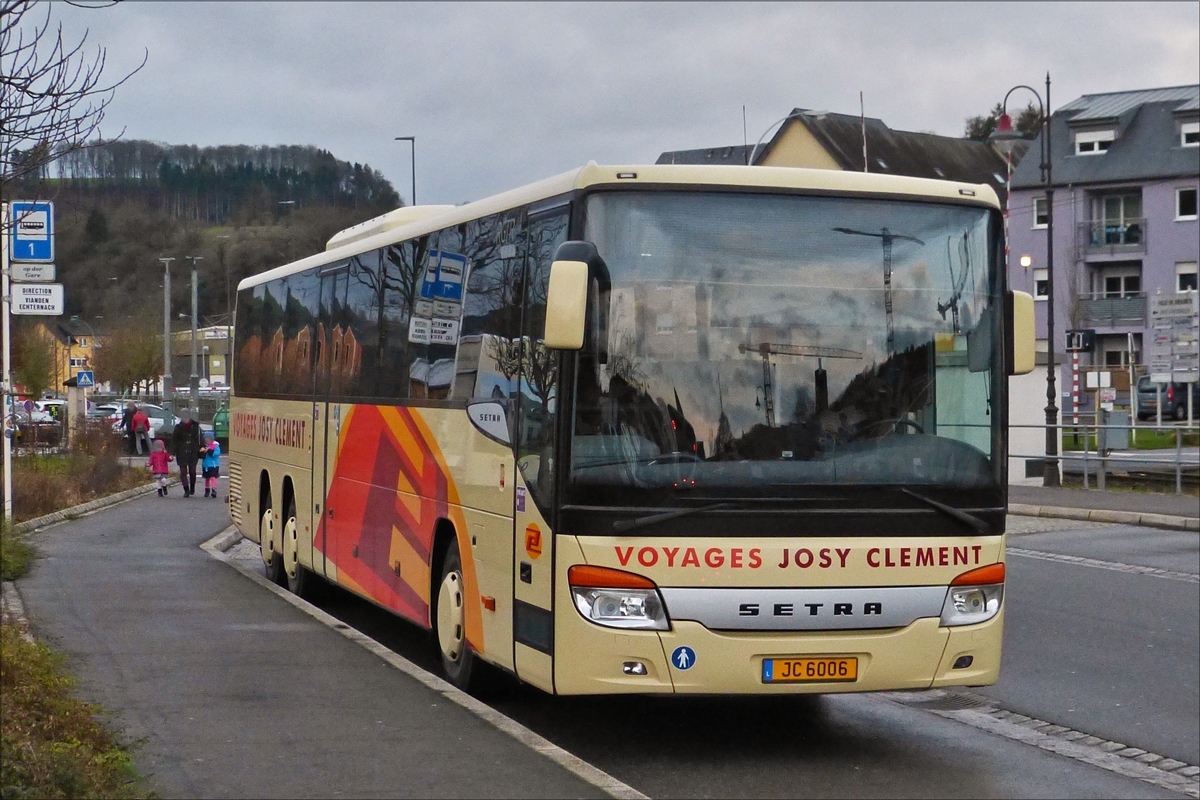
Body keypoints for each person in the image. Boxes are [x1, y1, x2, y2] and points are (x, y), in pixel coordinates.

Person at [171, 408, 203, 497]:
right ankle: (186, 490)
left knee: (192, 471)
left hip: (193, 451)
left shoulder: (195, 426)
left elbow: (200, 438)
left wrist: (202, 446)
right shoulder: (178, 427)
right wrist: (172, 452)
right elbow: (174, 440)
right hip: (181, 452)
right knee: (183, 472)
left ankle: (192, 486)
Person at [201, 431, 221, 498]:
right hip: (206, 465)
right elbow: (201, 455)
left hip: (214, 465)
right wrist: (202, 452)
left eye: (209, 438)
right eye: (206, 438)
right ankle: (207, 490)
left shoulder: (215, 446)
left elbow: (216, 454)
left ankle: (214, 490)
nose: (208, 440)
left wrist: (209, 451)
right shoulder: (203, 446)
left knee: (213, 477)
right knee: (207, 478)